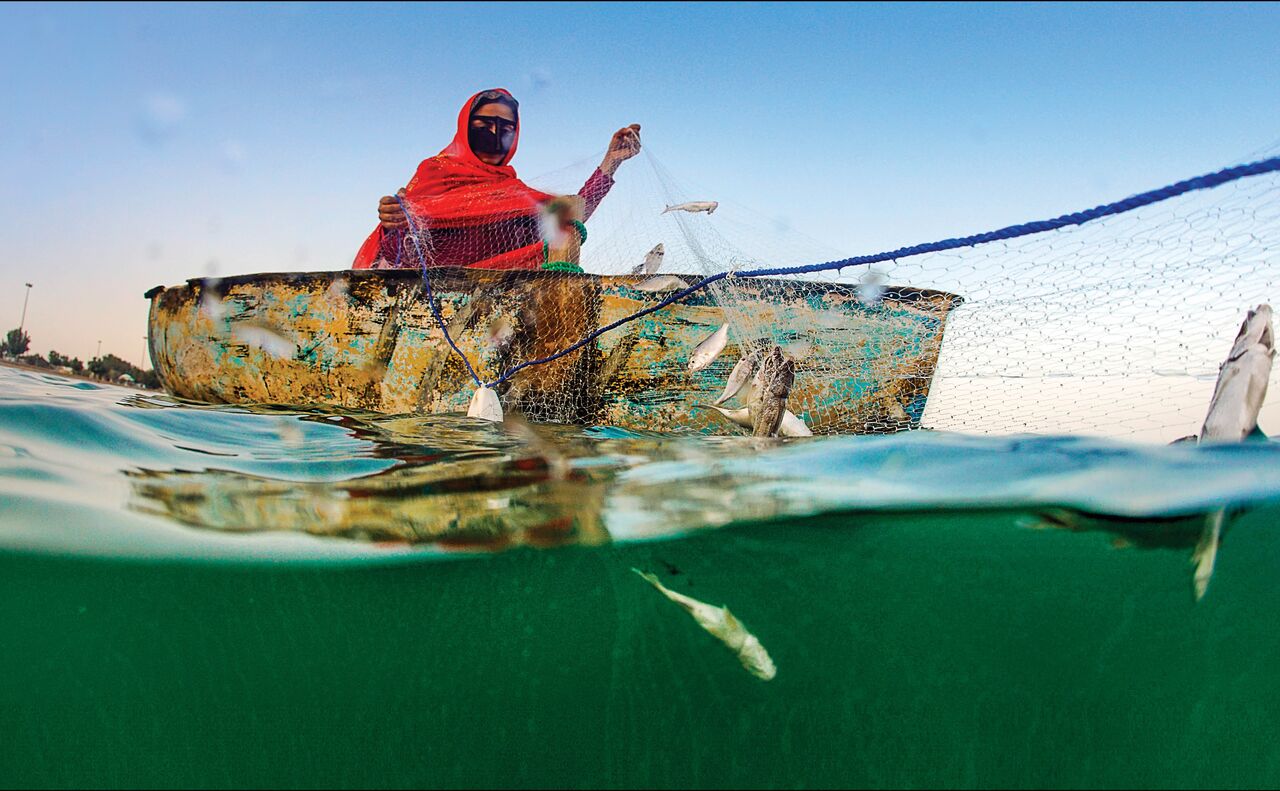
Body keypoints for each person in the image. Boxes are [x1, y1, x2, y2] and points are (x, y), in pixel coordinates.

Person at [353, 88, 641, 271]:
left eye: (506, 126)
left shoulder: (513, 191)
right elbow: (397, 251)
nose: (495, 132)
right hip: (434, 305)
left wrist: (610, 162)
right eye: (484, 124)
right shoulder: (435, 171)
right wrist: (394, 222)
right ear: (465, 126)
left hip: (502, 307)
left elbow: (570, 216)